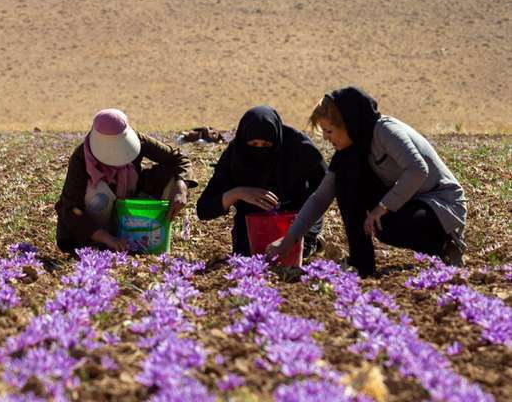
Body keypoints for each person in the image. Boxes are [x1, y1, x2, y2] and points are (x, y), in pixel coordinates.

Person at [267, 86, 467, 276]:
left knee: (387, 225)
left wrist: (382, 206)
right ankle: (361, 263)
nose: (326, 138)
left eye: (329, 131)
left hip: (440, 202)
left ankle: (446, 245)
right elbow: (320, 198)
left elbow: (417, 170)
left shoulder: (385, 130)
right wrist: (289, 239)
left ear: (347, 123)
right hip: (409, 200)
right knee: (345, 180)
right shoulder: (349, 151)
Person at [55, 108, 195, 253]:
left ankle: (143, 231)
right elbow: (70, 209)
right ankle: (98, 242)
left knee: (171, 174)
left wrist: (181, 185)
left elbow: (179, 160)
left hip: (129, 213)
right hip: (92, 228)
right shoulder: (81, 158)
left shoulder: (140, 140)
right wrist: (106, 237)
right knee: (96, 192)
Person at [195, 106, 326, 257]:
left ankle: (313, 242)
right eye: (253, 144)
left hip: (295, 224)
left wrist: (306, 228)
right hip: (252, 226)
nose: (259, 150)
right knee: (247, 257)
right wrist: (238, 193)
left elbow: (323, 188)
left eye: (266, 145)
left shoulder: (298, 147)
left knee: (292, 255)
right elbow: (204, 209)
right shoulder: (235, 155)